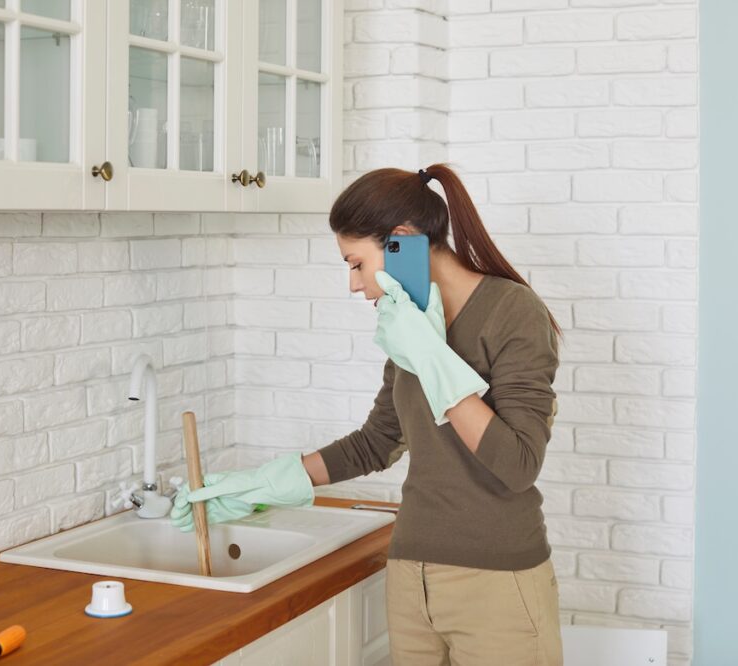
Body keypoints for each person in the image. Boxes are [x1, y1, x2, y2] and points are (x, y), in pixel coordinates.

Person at [170, 163, 563, 666]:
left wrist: (432, 356)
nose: (353, 285)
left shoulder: (512, 313)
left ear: (402, 240)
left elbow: (517, 464)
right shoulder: (408, 322)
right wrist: (263, 483)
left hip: (498, 583)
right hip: (410, 577)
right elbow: (377, 442)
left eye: (356, 263)